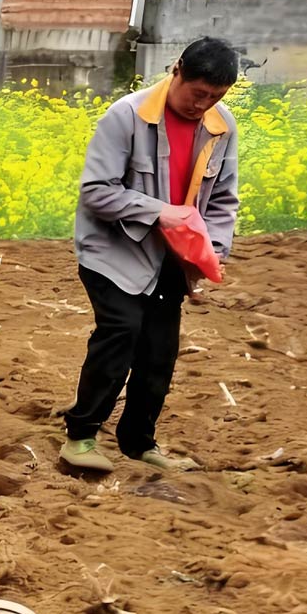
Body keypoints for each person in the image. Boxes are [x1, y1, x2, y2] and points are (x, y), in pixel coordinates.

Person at [62, 36, 241, 475]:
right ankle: (81, 437)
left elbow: (222, 202)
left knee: (159, 351)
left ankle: (138, 441)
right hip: (113, 252)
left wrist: (209, 255)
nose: (203, 105)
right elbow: (95, 192)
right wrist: (164, 213)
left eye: (215, 97)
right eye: (198, 93)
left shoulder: (222, 126)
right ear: (176, 70)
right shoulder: (126, 117)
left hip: (171, 261)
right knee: (121, 332)